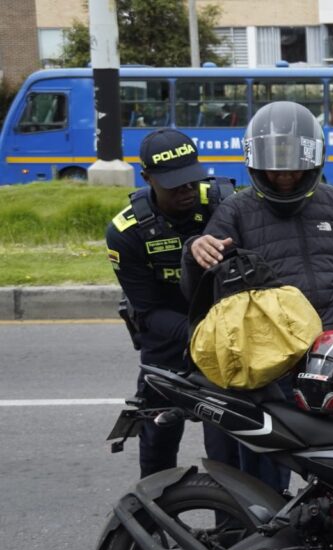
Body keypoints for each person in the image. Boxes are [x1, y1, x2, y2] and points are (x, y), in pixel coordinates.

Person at [184, 101, 333, 494]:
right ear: (254, 160)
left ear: (313, 159)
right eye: (273, 164)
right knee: (268, 464)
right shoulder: (236, 210)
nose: (284, 173)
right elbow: (201, 283)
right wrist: (196, 250)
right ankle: (271, 540)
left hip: (332, 356)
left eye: (294, 163)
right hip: (269, 361)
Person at [105, 128, 239, 477]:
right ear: (147, 178)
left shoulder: (226, 203)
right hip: (166, 339)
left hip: (225, 339)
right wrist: (202, 334)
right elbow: (147, 312)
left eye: (192, 180)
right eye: (174, 184)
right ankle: (153, 524)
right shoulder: (125, 232)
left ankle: (232, 530)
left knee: (227, 447)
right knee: (157, 439)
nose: (187, 190)